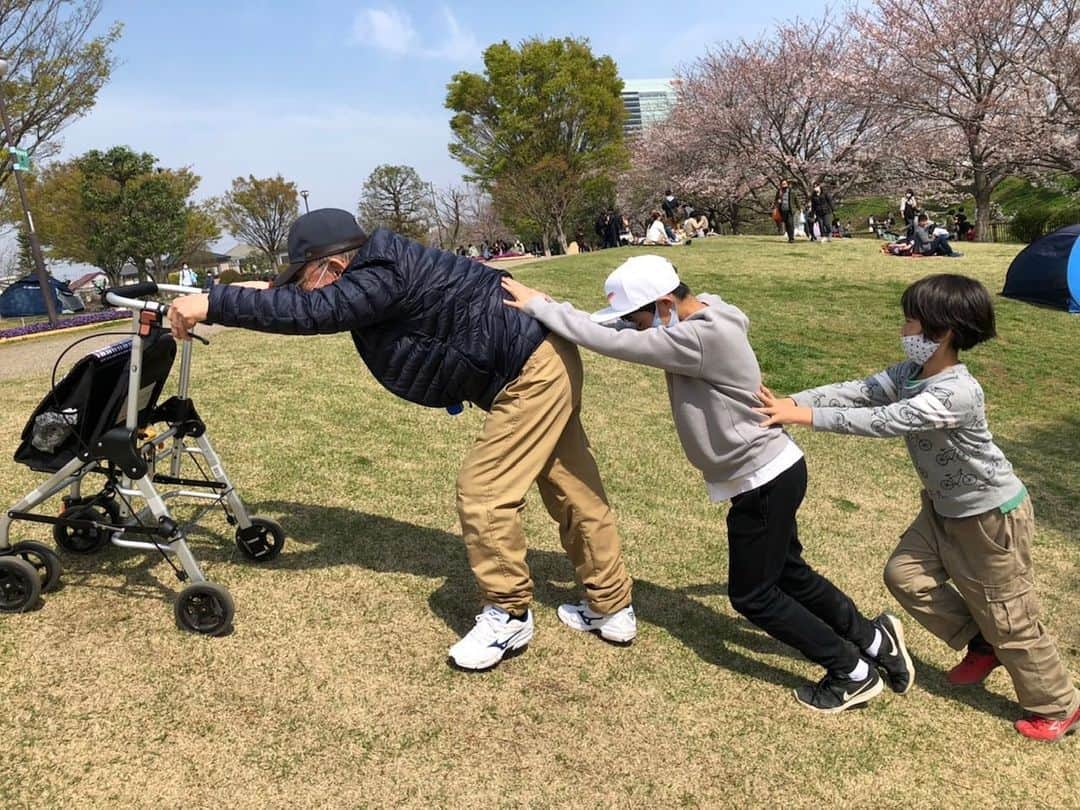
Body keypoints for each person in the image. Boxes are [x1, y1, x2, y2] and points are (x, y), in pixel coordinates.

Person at [167, 208, 636, 670]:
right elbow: (305, 300)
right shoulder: (374, 265)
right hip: (540, 355)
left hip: (528, 371)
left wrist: (216, 304)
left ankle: (509, 615)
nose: (301, 287)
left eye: (304, 276)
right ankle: (612, 608)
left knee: (484, 491)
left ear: (332, 264)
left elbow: (318, 310)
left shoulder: (381, 274)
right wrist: (250, 293)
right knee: (570, 486)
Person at [500, 255, 912, 713]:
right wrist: (554, 306)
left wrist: (540, 306)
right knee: (789, 572)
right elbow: (618, 331)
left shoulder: (698, 338)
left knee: (754, 596)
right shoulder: (707, 311)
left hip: (763, 480)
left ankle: (850, 672)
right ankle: (874, 639)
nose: (636, 329)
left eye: (638, 318)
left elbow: (609, 343)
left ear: (662, 304)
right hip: (773, 471)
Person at [756, 274, 1080, 741]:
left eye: (910, 320)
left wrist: (802, 417)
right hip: (941, 508)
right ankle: (980, 642)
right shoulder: (910, 375)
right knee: (904, 576)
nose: (904, 330)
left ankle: (1059, 706)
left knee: (1010, 616)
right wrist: (791, 401)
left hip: (989, 517)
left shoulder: (956, 392)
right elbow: (862, 392)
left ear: (941, 331)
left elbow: (885, 421)